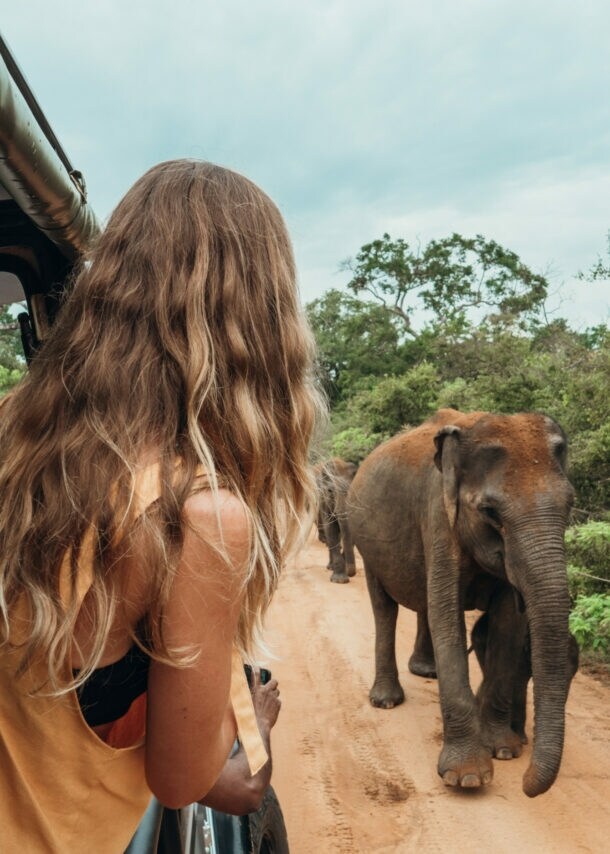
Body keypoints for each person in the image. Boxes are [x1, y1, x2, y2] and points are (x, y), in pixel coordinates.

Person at [0, 160, 323, 853]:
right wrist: (255, 723)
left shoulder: (14, 439)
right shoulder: (195, 516)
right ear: (262, 325)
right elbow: (183, 781)